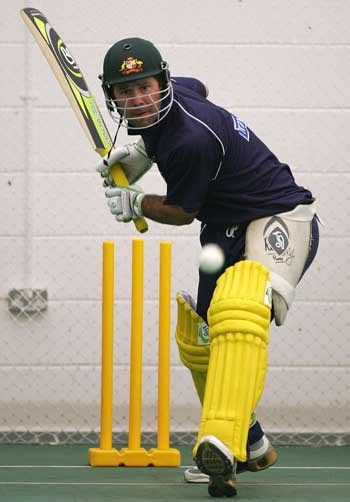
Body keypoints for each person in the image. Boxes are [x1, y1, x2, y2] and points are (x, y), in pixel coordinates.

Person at [97, 37, 320, 498]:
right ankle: (251, 444)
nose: (138, 98)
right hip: (225, 229)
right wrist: (140, 154)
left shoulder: (190, 141)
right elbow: (200, 84)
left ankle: (221, 438)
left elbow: (180, 211)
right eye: (126, 90)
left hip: (278, 216)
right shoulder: (180, 93)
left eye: (146, 86)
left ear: (162, 82)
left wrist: (135, 197)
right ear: (112, 95)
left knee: (240, 312)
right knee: (202, 338)